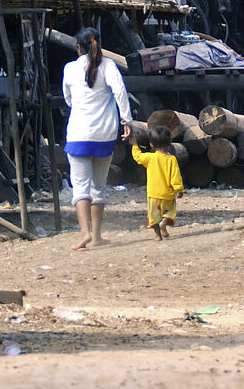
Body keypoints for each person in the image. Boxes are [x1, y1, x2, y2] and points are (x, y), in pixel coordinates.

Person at [60, 27, 130, 249]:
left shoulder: (70, 68)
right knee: (98, 187)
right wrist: (126, 121)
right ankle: (98, 235)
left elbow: (68, 99)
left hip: (78, 133)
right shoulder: (108, 65)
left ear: (78, 47)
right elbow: (120, 92)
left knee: (80, 187)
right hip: (105, 134)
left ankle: (85, 233)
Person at [132, 128, 184, 241]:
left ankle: (157, 236)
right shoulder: (171, 159)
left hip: (153, 195)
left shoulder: (149, 157)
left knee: (154, 216)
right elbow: (175, 176)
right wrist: (179, 189)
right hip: (167, 196)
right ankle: (164, 223)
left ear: (151, 144)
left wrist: (134, 145)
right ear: (170, 144)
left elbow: (137, 157)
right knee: (169, 212)